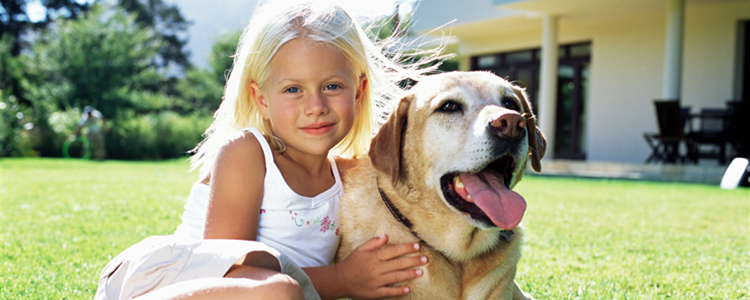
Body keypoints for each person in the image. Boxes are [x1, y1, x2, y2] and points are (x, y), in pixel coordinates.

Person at [95, 1, 443, 299]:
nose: (316, 105)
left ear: (359, 90)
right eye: (293, 90)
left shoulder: (351, 177)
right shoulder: (247, 154)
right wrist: (344, 280)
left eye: (332, 86)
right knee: (279, 290)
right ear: (261, 99)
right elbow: (226, 266)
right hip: (181, 285)